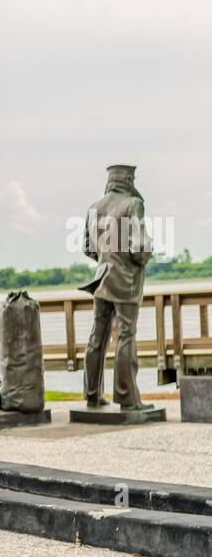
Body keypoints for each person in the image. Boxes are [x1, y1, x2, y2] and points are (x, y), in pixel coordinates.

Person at [79, 163, 155, 411]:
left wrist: (106, 258)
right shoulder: (133, 204)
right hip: (125, 281)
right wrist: (140, 260)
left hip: (101, 278)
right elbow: (140, 247)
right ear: (128, 179)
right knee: (126, 335)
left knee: (97, 336)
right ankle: (127, 398)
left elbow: (88, 247)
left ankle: (92, 395)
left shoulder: (94, 207)